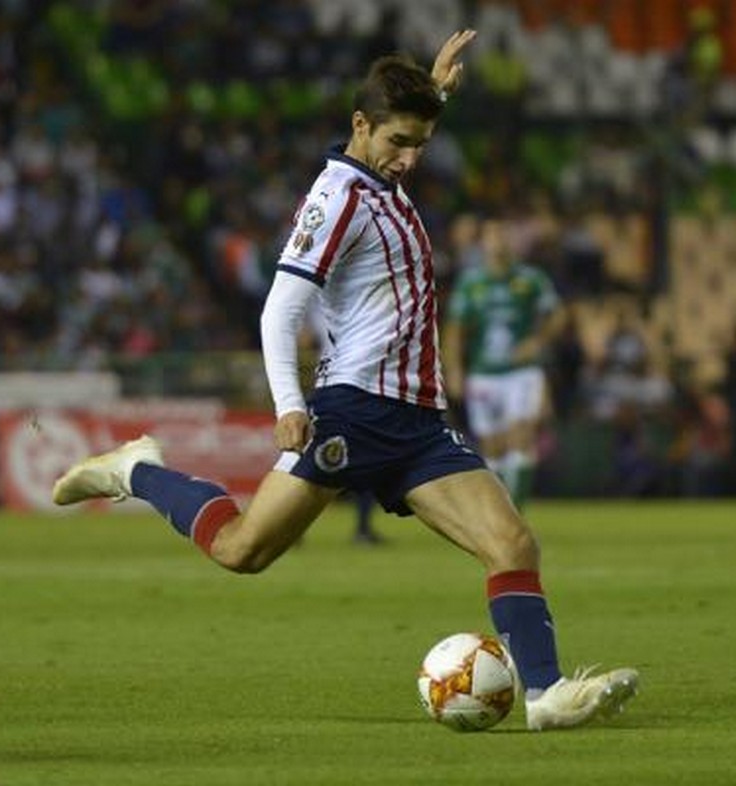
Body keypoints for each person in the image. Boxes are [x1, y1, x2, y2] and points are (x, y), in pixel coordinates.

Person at [50, 32, 638, 732]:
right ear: (360, 127)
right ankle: (135, 472)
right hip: (352, 412)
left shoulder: (382, 177)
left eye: (421, 141)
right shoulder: (338, 199)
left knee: (512, 544)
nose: (411, 157)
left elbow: (400, 138)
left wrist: (435, 92)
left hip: (420, 422)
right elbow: (279, 311)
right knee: (244, 550)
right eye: (399, 141)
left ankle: (543, 696)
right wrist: (290, 404)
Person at [442, 217, 565, 510]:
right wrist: (455, 369)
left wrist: (538, 341)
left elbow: (558, 315)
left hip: (522, 371)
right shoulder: (471, 283)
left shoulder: (529, 279)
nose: (497, 241)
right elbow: (455, 330)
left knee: (521, 435)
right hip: (484, 373)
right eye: (491, 236)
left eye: (502, 235)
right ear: (482, 243)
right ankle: (500, 510)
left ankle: (516, 510)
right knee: (492, 445)